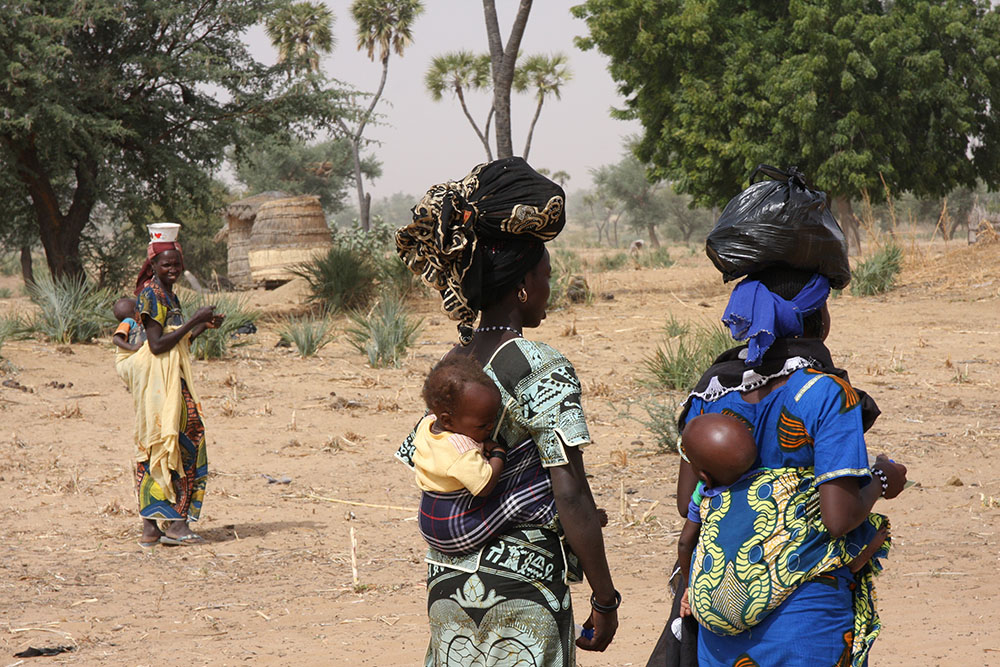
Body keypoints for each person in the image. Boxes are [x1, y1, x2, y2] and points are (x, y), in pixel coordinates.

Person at [395, 157, 619, 666]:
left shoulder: (452, 365)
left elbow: (427, 462)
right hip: (522, 594)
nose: (548, 289)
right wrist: (604, 598)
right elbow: (570, 490)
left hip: (448, 589)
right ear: (522, 287)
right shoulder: (539, 365)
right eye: (545, 276)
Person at [665, 266, 907, 667]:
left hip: (722, 617)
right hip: (805, 617)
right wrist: (883, 478)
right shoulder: (826, 393)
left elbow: (687, 502)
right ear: (811, 319)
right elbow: (838, 517)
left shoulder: (708, 395)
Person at [116, 235, 222, 548]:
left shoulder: (166, 293)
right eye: (166, 264)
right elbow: (157, 344)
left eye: (177, 264)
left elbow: (176, 339)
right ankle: (176, 524)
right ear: (153, 265)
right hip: (160, 382)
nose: (173, 268)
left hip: (168, 379)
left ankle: (151, 528)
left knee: (159, 442)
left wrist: (205, 325)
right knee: (182, 440)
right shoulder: (151, 293)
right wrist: (194, 320)